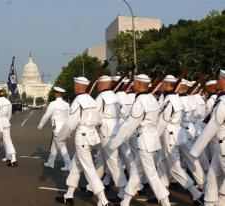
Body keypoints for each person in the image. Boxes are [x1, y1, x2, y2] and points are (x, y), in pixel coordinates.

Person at [107, 74, 171, 206]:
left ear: (140, 84)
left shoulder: (140, 101)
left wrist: (113, 143)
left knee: (152, 175)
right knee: (136, 172)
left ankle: (166, 202)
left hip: (145, 142)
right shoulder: (151, 98)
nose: (132, 85)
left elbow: (129, 125)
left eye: (135, 83)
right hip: (152, 140)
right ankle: (125, 200)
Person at [55, 77, 111, 206]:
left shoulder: (78, 101)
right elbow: (98, 120)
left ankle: (103, 200)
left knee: (89, 169)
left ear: (79, 86)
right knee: (76, 166)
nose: (74, 87)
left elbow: (70, 123)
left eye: (75, 85)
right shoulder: (91, 100)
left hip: (83, 137)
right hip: (91, 136)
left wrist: (61, 138)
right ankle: (68, 195)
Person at [157, 75, 203, 205]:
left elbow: (163, 121)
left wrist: (154, 138)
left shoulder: (170, 100)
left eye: (162, 83)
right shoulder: (176, 98)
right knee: (162, 164)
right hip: (178, 133)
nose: (160, 86)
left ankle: (196, 193)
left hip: (169, 135)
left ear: (166, 85)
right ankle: (162, 194)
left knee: (174, 168)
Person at [81, 75, 127, 203]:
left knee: (113, 162)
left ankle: (123, 191)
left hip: (106, 131)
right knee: (100, 161)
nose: (97, 86)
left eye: (98, 84)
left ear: (102, 85)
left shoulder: (101, 98)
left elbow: (96, 116)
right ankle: (91, 187)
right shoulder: (115, 97)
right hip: (115, 129)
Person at [190, 70, 225, 206]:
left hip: (222, 145)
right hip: (219, 145)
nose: (217, 82)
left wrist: (195, 150)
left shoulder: (222, 102)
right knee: (212, 177)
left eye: (219, 79)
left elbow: (213, 126)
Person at [38, 86, 72, 171]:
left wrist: (41, 125)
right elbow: (69, 116)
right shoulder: (67, 104)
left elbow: (47, 115)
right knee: (54, 145)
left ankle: (69, 164)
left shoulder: (53, 103)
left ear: (56, 94)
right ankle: (50, 162)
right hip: (65, 127)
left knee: (61, 146)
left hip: (56, 128)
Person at [0, 85, 18, 167]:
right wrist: (6, 120)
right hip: (5, 122)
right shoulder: (8, 101)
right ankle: (13, 158)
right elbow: (9, 114)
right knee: (8, 141)